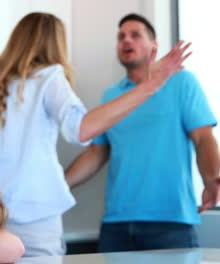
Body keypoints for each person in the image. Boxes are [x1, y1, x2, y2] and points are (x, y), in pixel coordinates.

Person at [0, 12, 191, 256]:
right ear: (55, 44)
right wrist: (152, 84)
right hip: (37, 222)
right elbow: (82, 128)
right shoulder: (49, 78)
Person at [65, 13, 220, 252]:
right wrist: (60, 183)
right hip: (116, 226)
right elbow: (97, 152)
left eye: (135, 35)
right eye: (121, 37)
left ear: (154, 46)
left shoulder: (182, 83)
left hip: (171, 223)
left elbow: (203, 138)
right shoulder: (111, 96)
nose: (126, 41)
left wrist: (211, 178)